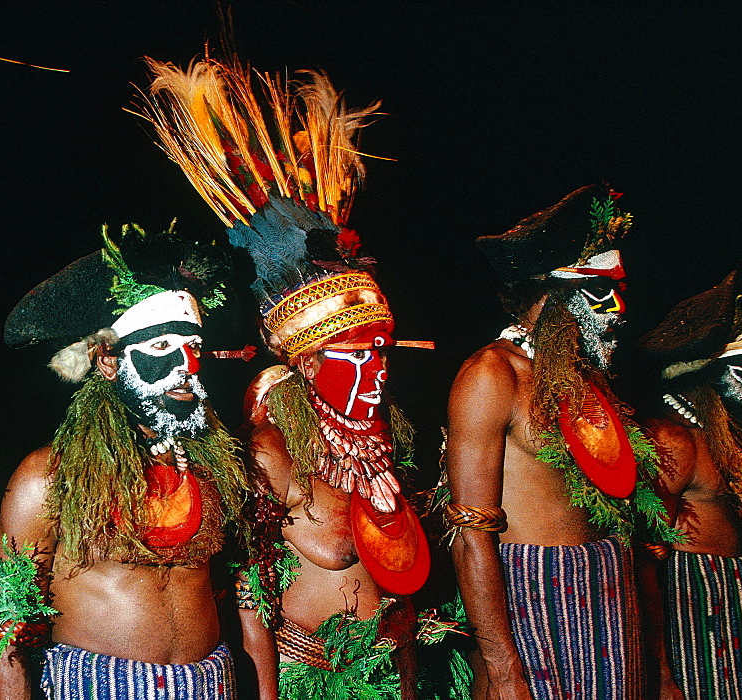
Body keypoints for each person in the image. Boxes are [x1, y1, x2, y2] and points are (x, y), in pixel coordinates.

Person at [136, 57, 439, 700]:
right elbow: (250, 602)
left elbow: (402, 596)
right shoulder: (270, 452)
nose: (375, 374)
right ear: (303, 364)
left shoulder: (391, 442)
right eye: (352, 356)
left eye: (380, 353)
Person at [0, 225, 250, 700]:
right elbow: (8, 631)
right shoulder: (49, 476)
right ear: (108, 362)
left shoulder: (213, 466)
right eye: (161, 348)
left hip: (212, 684)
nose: (187, 366)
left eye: (192, 347)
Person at [445, 185, 679, 700]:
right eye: (600, 292)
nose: (618, 309)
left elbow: (628, 525)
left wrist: (658, 670)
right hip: (534, 606)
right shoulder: (492, 374)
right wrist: (504, 669)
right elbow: (472, 535)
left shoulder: (588, 383)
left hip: (611, 604)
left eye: (619, 289)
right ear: (550, 296)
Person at [639, 271, 742, 700]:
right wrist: (660, 675)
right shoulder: (675, 441)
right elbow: (644, 563)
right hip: (696, 621)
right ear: (708, 376)